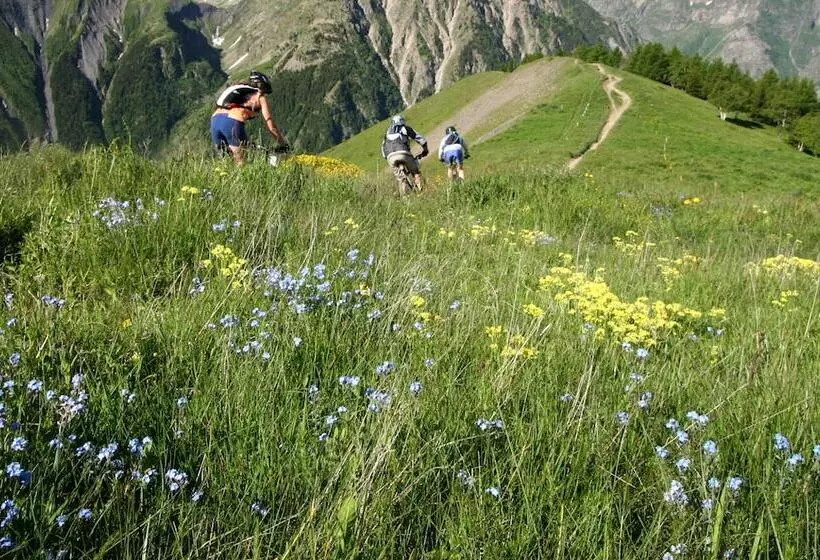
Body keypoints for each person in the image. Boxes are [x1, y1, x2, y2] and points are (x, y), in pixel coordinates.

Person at [211, 71, 288, 165]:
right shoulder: (259, 96)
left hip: (215, 120)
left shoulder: (238, 89)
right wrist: (283, 144)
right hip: (232, 122)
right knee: (242, 164)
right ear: (262, 87)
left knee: (225, 163)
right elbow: (270, 124)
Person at [381, 115, 428, 188]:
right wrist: (425, 150)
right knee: (416, 172)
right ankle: (422, 190)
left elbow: (383, 148)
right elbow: (420, 139)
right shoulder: (405, 128)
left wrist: (387, 157)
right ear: (402, 121)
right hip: (403, 153)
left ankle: (404, 196)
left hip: (390, 157)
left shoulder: (387, 132)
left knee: (401, 178)